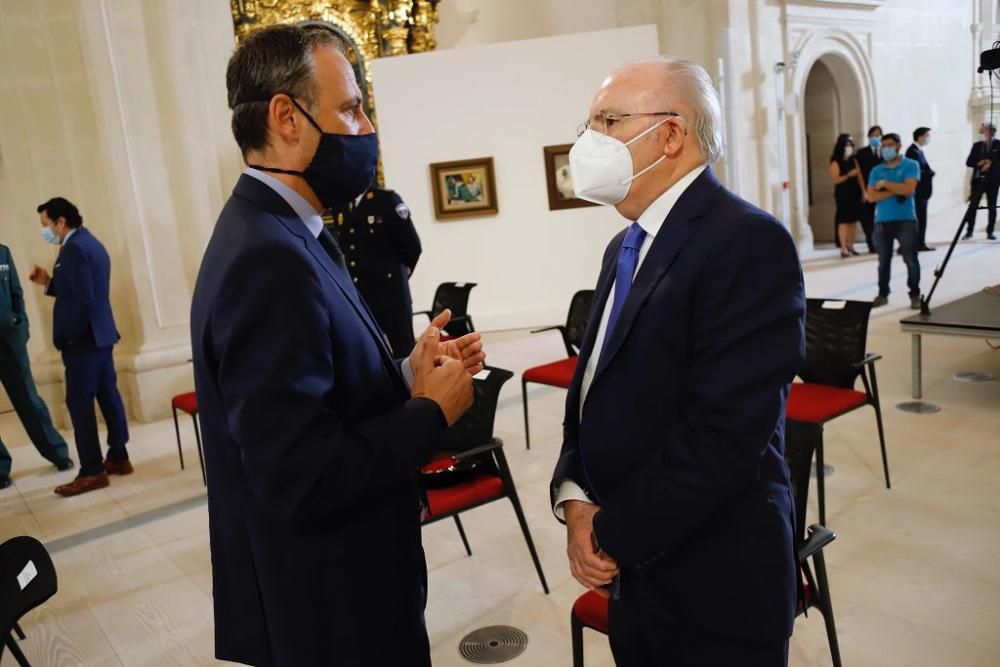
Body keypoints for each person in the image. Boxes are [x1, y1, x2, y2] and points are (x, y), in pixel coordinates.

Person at [191, 25, 484, 666]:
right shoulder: (265, 257)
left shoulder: (287, 231)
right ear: (285, 118)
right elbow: (302, 477)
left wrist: (407, 372)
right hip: (331, 606)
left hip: (348, 583)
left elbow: (321, 389)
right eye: (350, 108)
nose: (366, 125)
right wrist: (430, 411)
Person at [551, 56, 805, 666]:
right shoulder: (625, 243)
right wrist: (576, 496)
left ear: (670, 135)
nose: (589, 141)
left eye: (608, 121)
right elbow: (594, 386)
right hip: (635, 573)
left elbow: (723, 438)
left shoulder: (747, 240)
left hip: (714, 578)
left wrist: (608, 532)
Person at [29, 198, 131, 497]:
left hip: (83, 341)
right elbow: (79, 288)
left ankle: (92, 470)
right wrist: (48, 282)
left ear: (61, 222)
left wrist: (69, 337)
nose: (45, 231)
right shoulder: (90, 243)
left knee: (79, 403)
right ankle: (118, 455)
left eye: (46, 225)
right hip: (100, 335)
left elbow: (83, 299)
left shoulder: (73, 249)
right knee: (108, 395)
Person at [0, 243, 74, 490]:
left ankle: (57, 452)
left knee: (30, 400)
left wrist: (21, 326)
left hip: (10, 342)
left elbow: (16, 293)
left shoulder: (2, 252)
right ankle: (0, 468)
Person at [330, 186, 422, 354]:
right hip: (360, 296)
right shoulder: (341, 203)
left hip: (391, 295)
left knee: (404, 351)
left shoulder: (386, 200)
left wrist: (399, 274)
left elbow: (412, 246)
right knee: (370, 353)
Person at [867, 133, 922, 309]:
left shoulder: (911, 165)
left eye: (889, 145)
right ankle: (883, 294)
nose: (885, 149)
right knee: (883, 261)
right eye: (883, 146)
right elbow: (872, 196)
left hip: (906, 220)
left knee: (910, 259)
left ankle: (915, 294)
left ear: (898, 146)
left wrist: (885, 184)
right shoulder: (876, 170)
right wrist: (897, 189)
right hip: (882, 221)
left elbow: (909, 188)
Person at [964, 122, 1000, 240]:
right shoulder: (977, 145)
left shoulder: (999, 144)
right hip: (978, 180)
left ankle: (990, 232)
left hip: (993, 181)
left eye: (990, 130)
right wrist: (979, 163)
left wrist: (991, 164)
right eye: (985, 130)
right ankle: (969, 231)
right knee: (973, 206)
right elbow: (969, 162)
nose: (987, 133)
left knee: (992, 207)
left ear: (994, 132)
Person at [830, 133, 862, 257]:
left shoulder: (854, 160)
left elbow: (859, 177)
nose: (849, 147)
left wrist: (863, 191)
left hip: (854, 192)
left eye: (850, 145)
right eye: (846, 145)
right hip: (843, 193)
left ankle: (851, 245)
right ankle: (843, 247)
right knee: (844, 220)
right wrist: (849, 175)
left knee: (853, 221)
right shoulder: (835, 162)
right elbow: (836, 179)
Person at [906, 127, 936, 251]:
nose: (928, 138)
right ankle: (918, 243)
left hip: (923, 192)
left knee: (922, 218)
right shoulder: (912, 151)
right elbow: (916, 172)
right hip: (919, 192)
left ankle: (920, 242)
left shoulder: (919, 151)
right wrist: (929, 173)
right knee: (919, 218)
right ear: (920, 136)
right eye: (927, 135)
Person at [855, 125, 883, 252]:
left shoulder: (884, 151)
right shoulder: (861, 153)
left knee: (881, 219)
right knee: (868, 219)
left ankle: (881, 242)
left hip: (882, 191)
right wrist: (864, 191)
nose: (876, 138)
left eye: (878, 135)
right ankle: (872, 244)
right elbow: (859, 173)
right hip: (867, 190)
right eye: (873, 136)